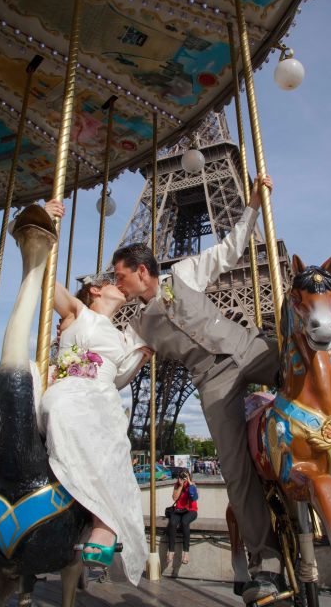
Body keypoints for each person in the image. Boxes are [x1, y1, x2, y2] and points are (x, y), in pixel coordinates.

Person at [113, 174, 283, 602]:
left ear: (142, 271)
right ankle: (267, 559)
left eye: (121, 276)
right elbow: (122, 367)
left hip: (246, 349)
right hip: (211, 380)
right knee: (235, 470)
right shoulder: (136, 325)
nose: (119, 283)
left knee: (308, 364)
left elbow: (228, 251)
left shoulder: (182, 272)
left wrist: (255, 206)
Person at [0, 199, 150, 586]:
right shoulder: (76, 313)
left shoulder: (125, 338)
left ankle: (102, 523)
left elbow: (119, 378)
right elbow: (46, 277)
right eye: (110, 281)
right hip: (61, 385)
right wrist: (48, 226)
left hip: (95, 394)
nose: (118, 285)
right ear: (95, 291)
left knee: (106, 427)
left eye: (122, 282)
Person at [166, 469, 198, 565]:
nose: (184, 477)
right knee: (172, 523)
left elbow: (194, 497)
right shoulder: (177, 485)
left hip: (191, 510)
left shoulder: (192, 485)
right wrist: (180, 486)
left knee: (184, 522)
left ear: (189, 476)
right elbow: (175, 498)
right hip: (179, 510)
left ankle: (186, 553)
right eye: (182, 476)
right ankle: (171, 551)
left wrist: (189, 483)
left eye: (186, 475)